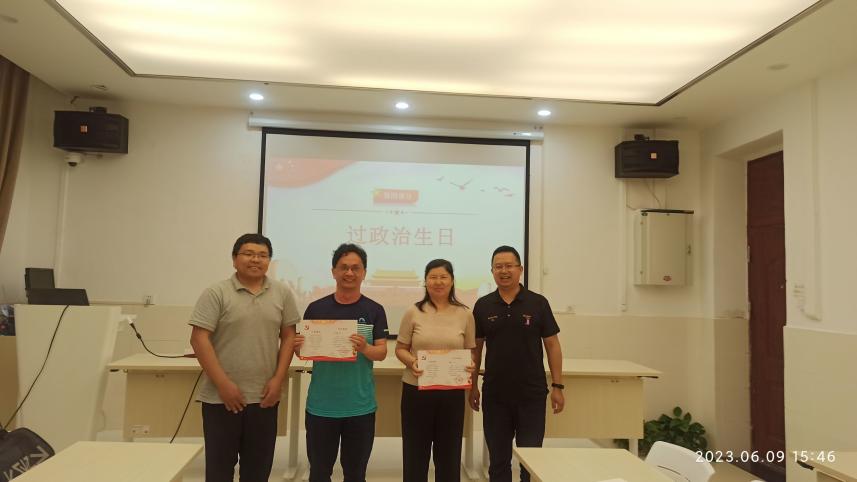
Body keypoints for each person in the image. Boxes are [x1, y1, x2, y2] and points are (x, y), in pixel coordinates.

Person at [189, 233, 300, 482]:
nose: (255, 260)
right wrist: (223, 385)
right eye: (248, 254)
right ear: (234, 259)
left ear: (269, 261)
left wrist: (278, 379)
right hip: (221, 398)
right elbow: (199, 339)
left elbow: (289, 336)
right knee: (219, 471)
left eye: (262, 255)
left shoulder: (282, 292)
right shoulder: (216, 292)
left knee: (257, 471)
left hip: (264, 397)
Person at [469, 246, 565, 482]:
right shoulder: (483, 305)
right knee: (498, 461)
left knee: (530, 460)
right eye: (498, 267)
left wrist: (557, 386)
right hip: (495, 395)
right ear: (492, 271)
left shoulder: (538, 303)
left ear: (520, 269)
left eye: (509, 266)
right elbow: (476, 348)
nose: (504, 271)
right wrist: (472, 386)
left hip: (531, 394)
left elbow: (552, 345)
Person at [294, 243, 388, 482]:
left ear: (364, 273)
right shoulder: (316, 308)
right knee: (319, 473)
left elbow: (381, 353)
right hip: (321, 407)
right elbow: (304, 353)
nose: (349, 273)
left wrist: (365, 348)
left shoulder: (375, 310)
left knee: (355, 474)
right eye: (344, 267)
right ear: (333, 271)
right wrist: (298, 347)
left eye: (355, 268)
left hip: (360, 407)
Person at [396, 259, 476, 482]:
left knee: (449, 455)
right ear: (425, 281)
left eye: (443, 277)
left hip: (451, 393)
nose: (438, 282)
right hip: (416, 391)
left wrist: (469, 364)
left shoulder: (465, 314)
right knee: (415, 454)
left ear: (452, 281)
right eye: (433, 277)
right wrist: (412, 362)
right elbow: (400, 349)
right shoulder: (413, 312)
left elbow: (471, 351)